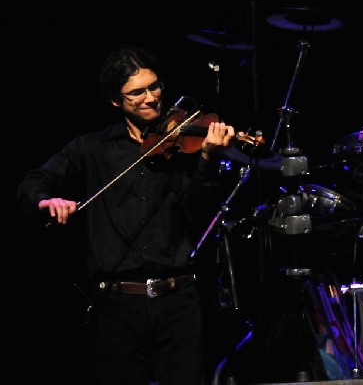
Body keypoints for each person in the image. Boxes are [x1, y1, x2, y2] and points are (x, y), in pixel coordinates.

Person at [17, 46, 236, 385]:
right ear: (116, 101)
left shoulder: (185, 148)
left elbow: (199, 212)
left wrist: (207, 160)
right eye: (137, 93)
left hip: (179, 302)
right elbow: (34, 181)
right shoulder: (92, 148)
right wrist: (47, 201)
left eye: (155, 87)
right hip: (117, 306)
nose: (151, 98)